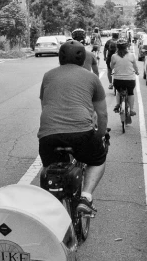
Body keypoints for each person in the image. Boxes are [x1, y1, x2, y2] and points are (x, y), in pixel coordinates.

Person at [38, 41, 108, 214]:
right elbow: (102, 114)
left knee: (51, 170)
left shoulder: (48, 76)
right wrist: (100, 135)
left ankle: (54, 206)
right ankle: (86, 197)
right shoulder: (91, 77)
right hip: (81, 134)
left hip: (48, 136)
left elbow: (44, 105)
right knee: (98, 160)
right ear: (83, 58)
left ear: (60, 58)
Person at [110, 38, 139, 118]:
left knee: (119, 91)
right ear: (126, 47)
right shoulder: (131, 55)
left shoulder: (114, 56)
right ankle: (132, 109)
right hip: (130, 80)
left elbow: (111, 67)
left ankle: (118, 104)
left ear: (117, 47)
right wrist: (137, 72)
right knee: (130, 93)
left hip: (117, 80)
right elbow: (135, 67)